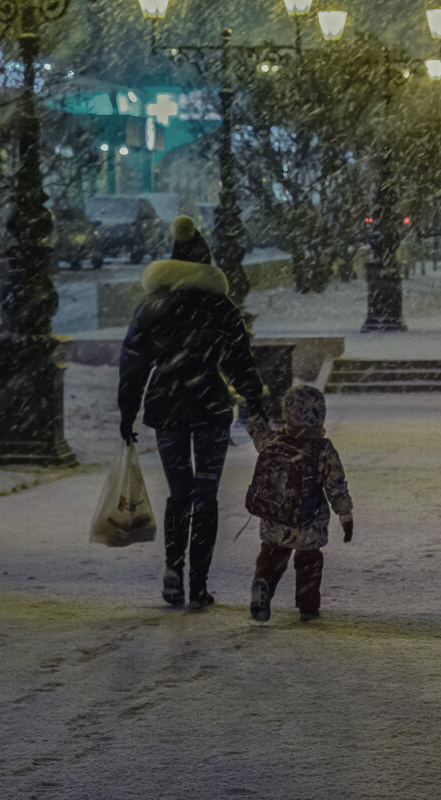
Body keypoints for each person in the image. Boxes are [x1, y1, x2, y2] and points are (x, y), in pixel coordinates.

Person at [118, 230, 268, 612]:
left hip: (167, 408)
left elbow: (133, 364)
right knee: (205, 496)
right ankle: (199, 584)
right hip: (209, 408)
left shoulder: (152, 306)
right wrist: (255, 401)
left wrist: (127, 411)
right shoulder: (221, 307)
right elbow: (239, 361)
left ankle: (173, 568)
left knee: (179, 493)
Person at [247, 385, 354, 623]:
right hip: (309, 519)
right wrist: (345, 513)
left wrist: (254, 415)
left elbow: (257, 432)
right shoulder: (323, 450)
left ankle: (263, 582)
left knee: (272, 554)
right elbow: (335, 485)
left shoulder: (273, 441)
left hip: (274, 517)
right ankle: (307, 606)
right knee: (309, 561)